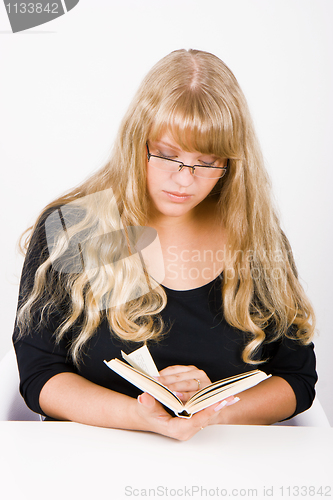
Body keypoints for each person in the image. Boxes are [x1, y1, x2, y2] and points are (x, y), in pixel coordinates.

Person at [13, 49, 317, 441]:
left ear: (232, 164)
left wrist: (209, 413)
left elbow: (297, 378)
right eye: (167, 155)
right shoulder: (74, 227)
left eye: (206, 162)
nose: (183, 181)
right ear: (135, 141)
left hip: (226, 468)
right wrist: (145, 416)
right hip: (89, 464)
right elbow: (40, 373)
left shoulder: (257, 240)